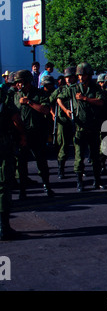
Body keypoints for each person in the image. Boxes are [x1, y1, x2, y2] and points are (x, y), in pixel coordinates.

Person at [58, 62, 105, 192]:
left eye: (83, 75)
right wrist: (66, 110)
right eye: (79, 75)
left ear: (89, 75)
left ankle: (97, 180)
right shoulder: (73, 88)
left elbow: (101, 102)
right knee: (79, 157)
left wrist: (85, 99)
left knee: (95, 156)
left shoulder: (95, 89)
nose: (80, 77)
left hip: (94, 127)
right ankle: (79, 182)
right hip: (79, 128)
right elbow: (59, 98)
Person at [13, 70, 54, 198]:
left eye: (21, 82)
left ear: (28, 81)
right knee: (22, 164)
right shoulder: (15, 96)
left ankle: (47, 186)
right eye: (17, 83)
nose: (19, 85)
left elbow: (46, 110)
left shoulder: (39, 94)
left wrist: (29, 102)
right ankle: (23, 190)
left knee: (41, 162)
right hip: (21, 134)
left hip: (37, 133)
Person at [0, 85, 26, 240]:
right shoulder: (5, 99)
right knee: (3, 186)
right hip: (3, 145)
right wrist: (22, 135)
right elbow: (16, 120)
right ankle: (4, 227)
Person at [50, 66, 77, 179]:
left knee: (78, 145)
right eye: (66, 77)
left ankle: (78, 169)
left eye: (70, 77)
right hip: (63, 121)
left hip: (76, 121)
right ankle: (61, 169)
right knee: (63, 145)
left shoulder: (78, 88)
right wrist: (53, 114)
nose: (68, 79)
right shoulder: (60, 90)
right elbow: (50, 102)